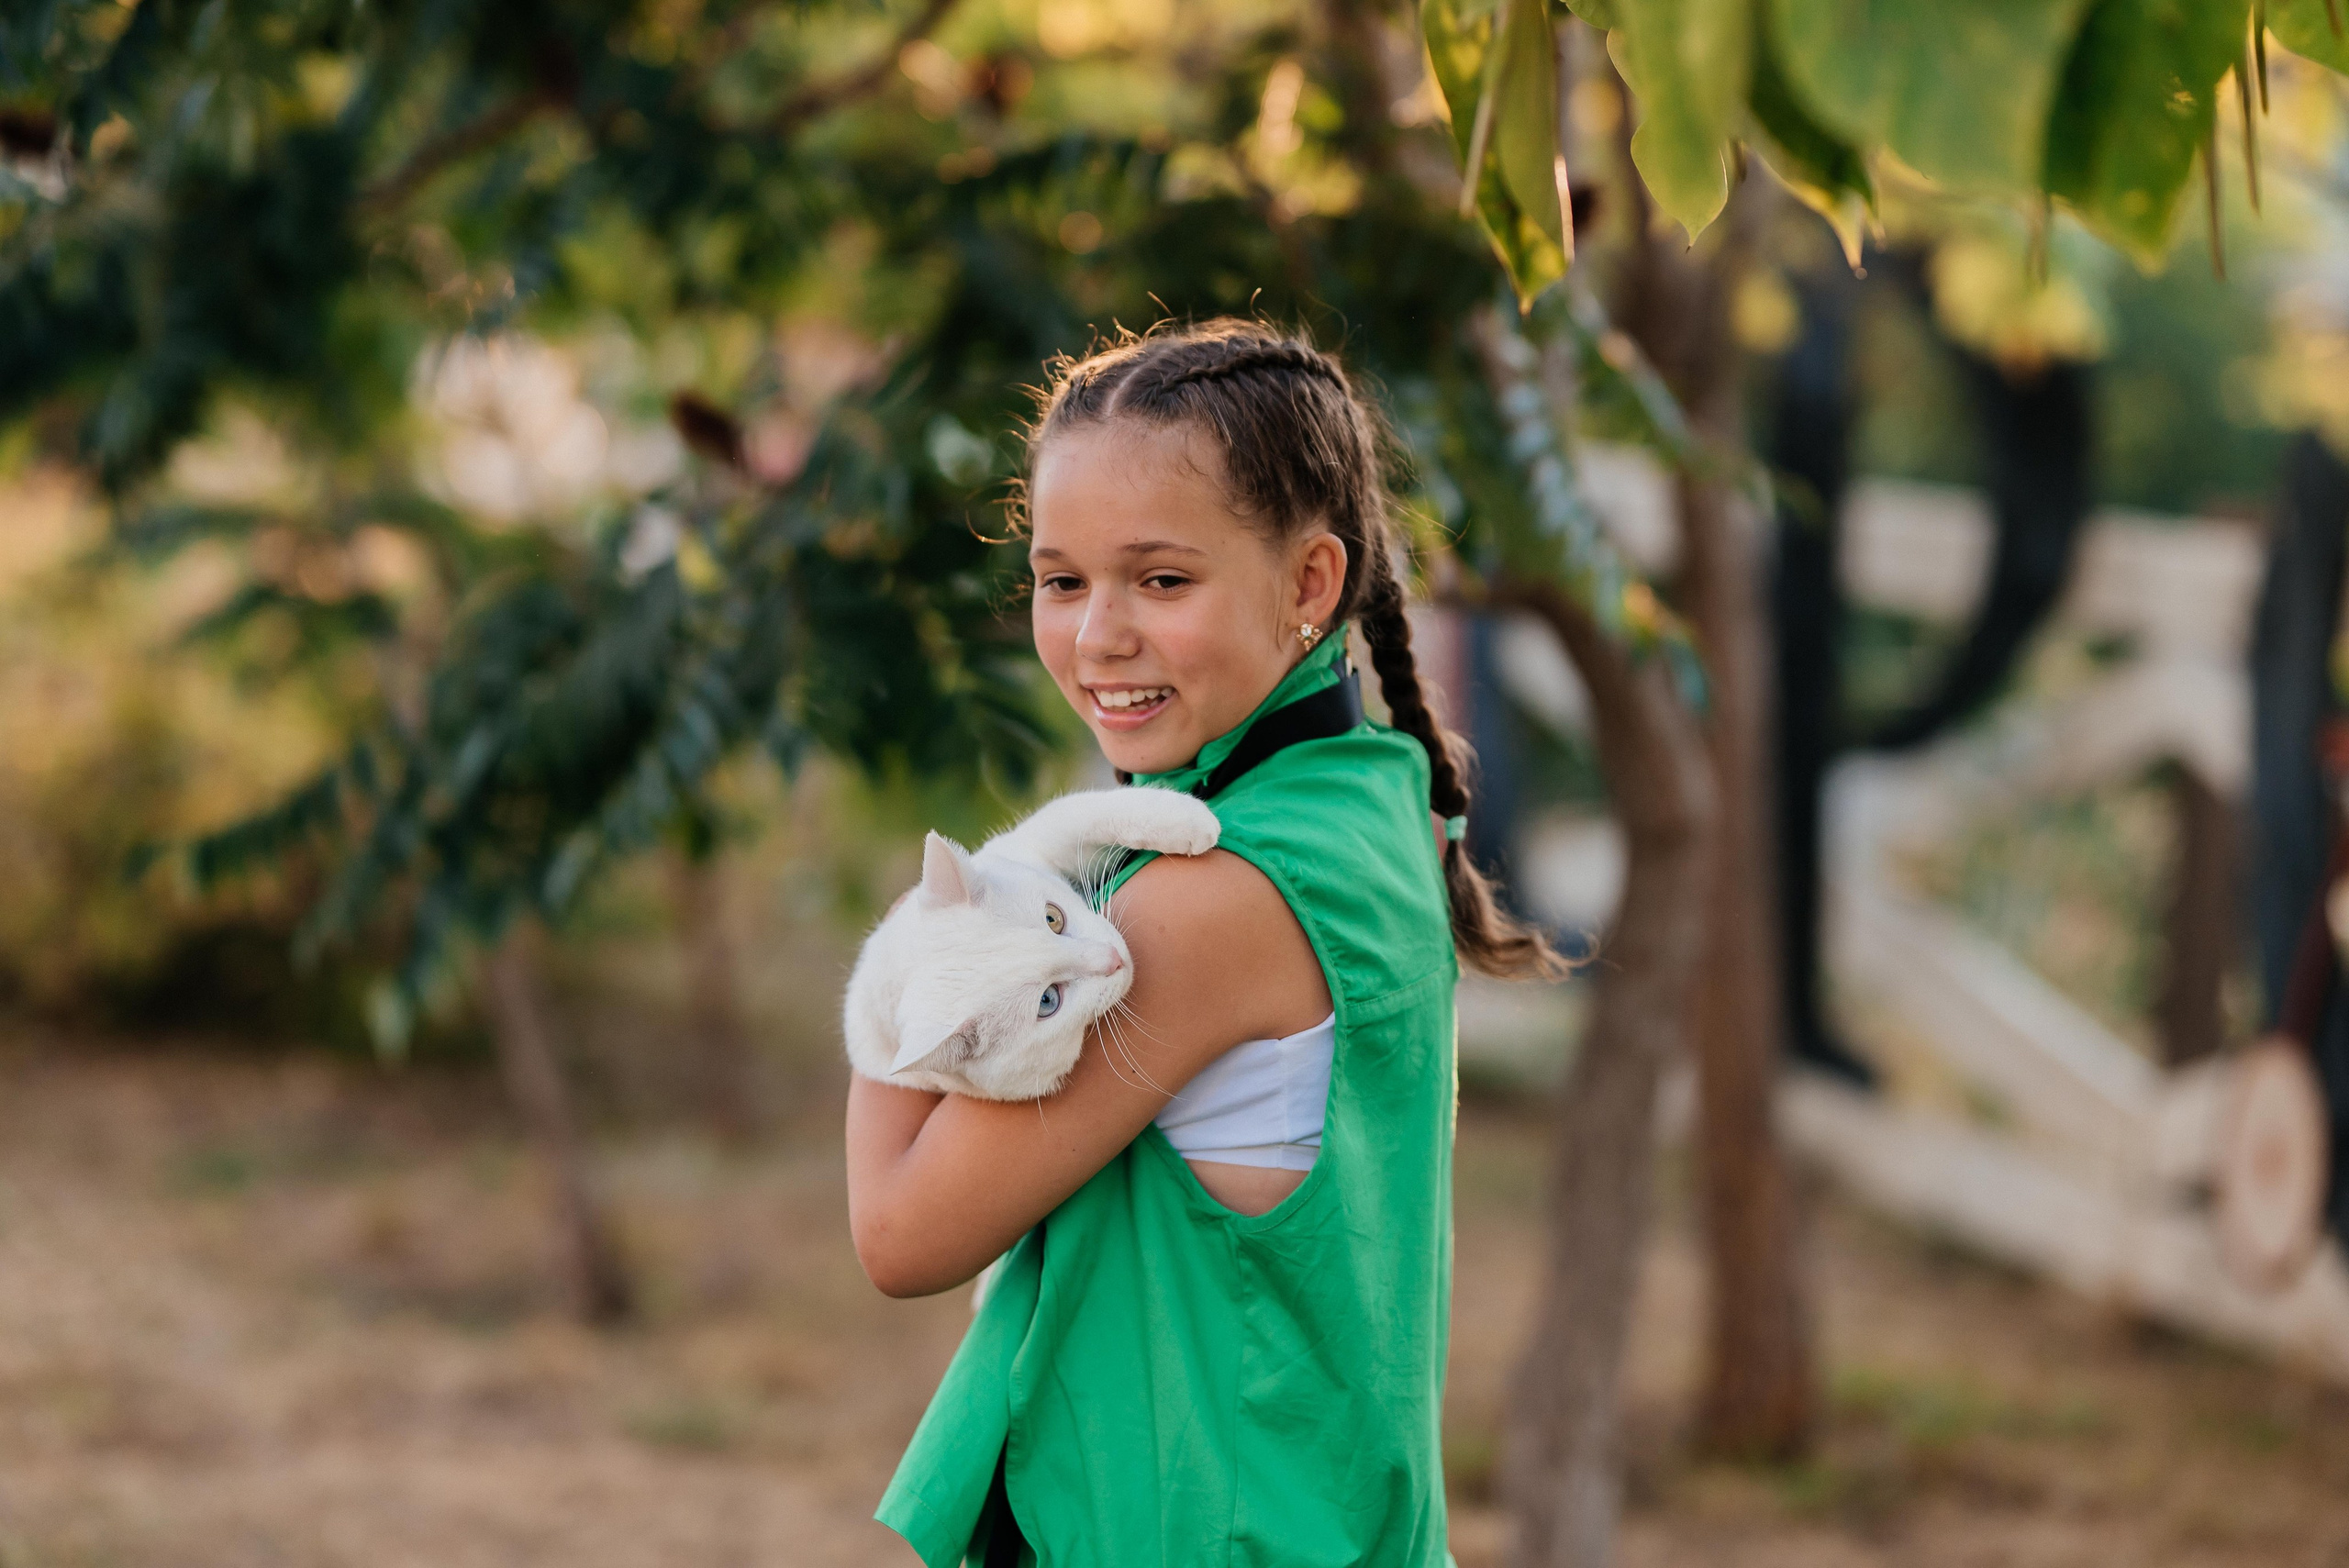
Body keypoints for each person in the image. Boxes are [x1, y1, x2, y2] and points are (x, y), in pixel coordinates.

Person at [845, 320, 1563, 1567]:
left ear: (1311, 584)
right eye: (1061, 581)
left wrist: (905, 972)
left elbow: (901, 1231)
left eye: (1163, 581)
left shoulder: (1204, 904)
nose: (1097, 636)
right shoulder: (1370, 792)